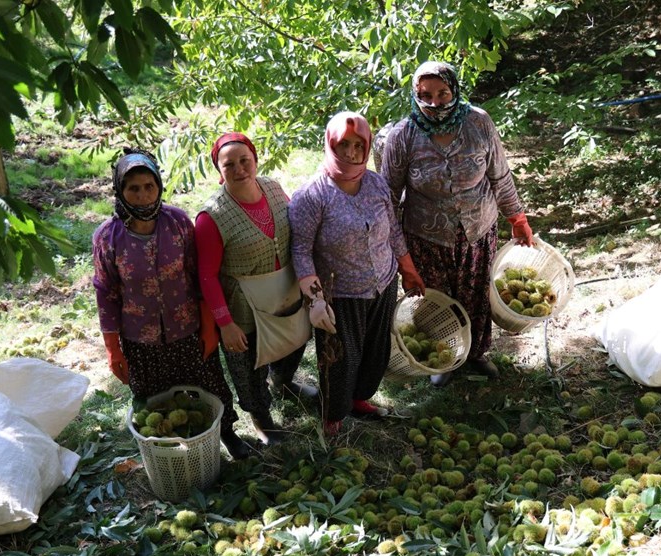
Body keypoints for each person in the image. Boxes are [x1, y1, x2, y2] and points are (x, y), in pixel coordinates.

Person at [380, 61, 535, 387]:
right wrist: (401, 256)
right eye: (426, 96)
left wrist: (517, 218)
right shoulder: (403, 136)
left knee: (476, 293)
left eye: (443, 93)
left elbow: (500, 176)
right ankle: (444, 358)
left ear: (454, 90)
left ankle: (475, 353)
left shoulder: (479, 123)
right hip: (426, 235)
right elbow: (388, 201)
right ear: (415, 95)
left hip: (478, 230)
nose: (435, 103)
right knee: (435, 298)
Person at [92, 149, 249, 458]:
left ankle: (227, 433)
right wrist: (112, 348)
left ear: (159, 186)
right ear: (119, 190)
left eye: (149, 186)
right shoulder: (107, 237)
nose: (142, 196)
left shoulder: (176, 222)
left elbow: (198, 274)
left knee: (210, 387)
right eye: (133, 189)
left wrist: (208, 327)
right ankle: (169, 452)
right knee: (156, 403)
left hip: (187, 328)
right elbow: (105, 292)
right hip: (141, 338)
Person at [289, 112, 425, 437]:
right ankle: (333, 414)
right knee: (340, 360)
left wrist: (408, 271)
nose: (351, 152)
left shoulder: (376, 183)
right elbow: (301, 251)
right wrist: (315, 300)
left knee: (374, 352)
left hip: (383, 283)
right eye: (343, 144)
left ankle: (359, 399)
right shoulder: (312, 196)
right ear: (330, 144)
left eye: (358, 144)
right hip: (342, 294)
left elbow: (392, 231)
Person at [195, 132, 316, 446]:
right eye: (229, 164)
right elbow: (206, 275)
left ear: (255, 158)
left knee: (294, 339)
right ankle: (261, 417)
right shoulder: (213, 217)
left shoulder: (273, 188)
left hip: (284, 290)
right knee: (249, 369)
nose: (239, 169)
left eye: (244, 160)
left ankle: (284, 382)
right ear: (219, 170)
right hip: (243, 304)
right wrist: (226, 323)